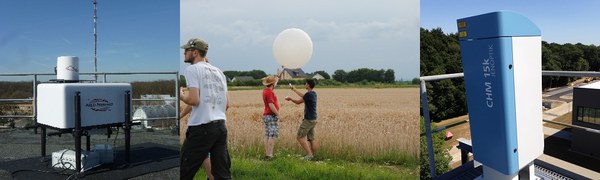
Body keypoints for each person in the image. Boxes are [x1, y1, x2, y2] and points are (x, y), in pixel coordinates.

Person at [179, 38, 231, 180]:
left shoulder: (192, 70)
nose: (184, 53)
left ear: (195, 52)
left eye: (186, 50)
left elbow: (194, 100)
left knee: (185, 170)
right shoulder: (219, 72)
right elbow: (227, 104)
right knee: (222, 173)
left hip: (201, 128)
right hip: (220, 127)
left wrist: (181, 96)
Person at [284, 79, 318, 160]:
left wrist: (291, 96)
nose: (304, 84)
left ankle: (309, 155)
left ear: (308, 85)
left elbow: (300, 100)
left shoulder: (309, 94)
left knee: (300, 137)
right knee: (311, 139)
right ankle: (313, 156)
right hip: (313, 119)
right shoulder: (313, 94)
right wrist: (293, 92)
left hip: (308, 120)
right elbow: (300, 100)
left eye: (305, 83)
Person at [180, 102, 213, 180]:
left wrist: (180, 116)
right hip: (216, 126)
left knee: (187, 157)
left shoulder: (200, 90)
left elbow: (193, 100)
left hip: (200, 126)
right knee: (205, 154)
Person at [261, 76, 281, 160]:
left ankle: (267, 154)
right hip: (271, 116)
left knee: (267, 135)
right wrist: (279, 115)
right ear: (272, 84)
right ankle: (270, 155)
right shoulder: (270, 92)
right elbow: (271, 105)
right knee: (272, 135)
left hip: (267, 116)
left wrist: (278, 76)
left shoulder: (265, 91)